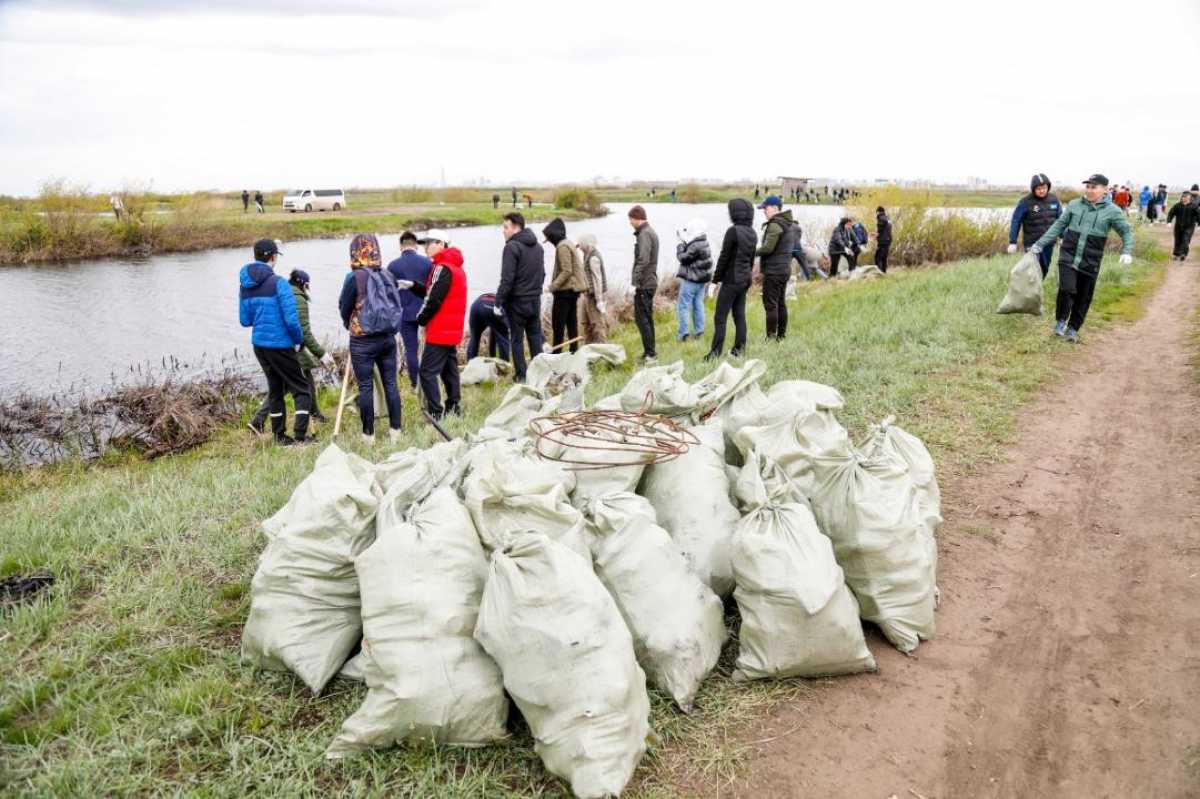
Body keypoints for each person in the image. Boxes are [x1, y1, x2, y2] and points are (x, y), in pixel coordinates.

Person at [1031, 174, 1134, 343]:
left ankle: (1073, 328)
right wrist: (1040, 244)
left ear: (1105, 190)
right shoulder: (1074, 205)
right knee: (1067, 289)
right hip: (1069, 254)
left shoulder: (1113, 211)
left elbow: (1126, 232)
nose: (1090, 190)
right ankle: (1061, 321)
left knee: (1083, 296)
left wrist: (1126, 251)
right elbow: (1059, 225)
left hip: (1091, 259)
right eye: (1088, 187)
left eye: (1094, 187)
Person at [239, 238, 311, 445]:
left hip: (259, 345)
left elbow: (245, 320)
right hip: (280, 344)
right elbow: (291, 319)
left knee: (276, 390)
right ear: (272, 257)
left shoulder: (245, 285)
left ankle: (279, 436)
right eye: (276, 255)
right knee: (301, 389)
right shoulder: (279, 283)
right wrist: (298, 341)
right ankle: (300, 436)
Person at [337, 233, 403, 443]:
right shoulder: (387, 275)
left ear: (355, 252)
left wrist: (350, 324)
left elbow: (344, 307)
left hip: (362, 340)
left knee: (365, 386)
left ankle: (368, 435)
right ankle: (396, 431)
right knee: (391, 383)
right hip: (387, 338)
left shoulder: (354, 278)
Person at [250, 269, 332, 432]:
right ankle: (258, 420)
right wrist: (321, 354)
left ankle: (315, 412)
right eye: (308, 285)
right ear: (303, 284)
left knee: (305, 377)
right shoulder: (299, 299)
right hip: (291, 347)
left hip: (277, 345)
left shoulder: (284, 292)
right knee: (286, 386)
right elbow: (304, 332)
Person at [408, 235, 467, 420]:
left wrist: (421, 319)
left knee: (426, 372)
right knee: (450, 370)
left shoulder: (441, 267)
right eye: (423, 244)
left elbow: (433, 299)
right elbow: (435, 291)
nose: (425, 247)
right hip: (452, 329)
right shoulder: (456, 267)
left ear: (441, 244)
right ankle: (454, 407)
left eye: (429, 243)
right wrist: (413, 286)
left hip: (440, 330)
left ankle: (436, 413)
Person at [704, 198, 757, 361]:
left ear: (735, 213)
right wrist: (748, 276)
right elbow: (752, 259)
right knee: (739, 315)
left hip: (733, 279)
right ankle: (738, 350)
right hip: (745, 278)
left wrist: (714, 281)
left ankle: (715, 354)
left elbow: (724, 258)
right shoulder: (752, 232)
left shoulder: (733, 231)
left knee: (720, 317)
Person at [495, 211, 545, 383]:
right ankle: (540, 374)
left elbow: (507, 279)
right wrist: (535, 290)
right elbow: (542, 274)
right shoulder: (538, 247)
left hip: (517, 302)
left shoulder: (511, 247)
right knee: (535, 337)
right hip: (534, 300)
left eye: (505, 227)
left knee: (516, 340)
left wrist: (498, 301)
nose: (503, 231)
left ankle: (522, 376)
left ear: (516, 228)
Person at [385, 230, 431, 389]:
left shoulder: (392, 266)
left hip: (405, 313)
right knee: (429, 348)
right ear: (415, 245)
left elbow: (389, 293)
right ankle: (430, 380)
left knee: (411, 350)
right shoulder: (428, 263)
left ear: (401, 246)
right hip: (426, 311)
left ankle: (415, 383)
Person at [755, 195, 796, 341]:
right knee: (780, 303)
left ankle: (770, 338)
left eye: (765, 208)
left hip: (774, 271)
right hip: (784, 269)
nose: (764, 211)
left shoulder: (775, 224)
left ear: (775, 208)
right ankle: (781, 336)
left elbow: (767, 248)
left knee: (771, 304)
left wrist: (751, 252)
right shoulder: (788, 223)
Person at [544, 217, 587, 353]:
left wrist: (552, 287)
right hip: (572, 292)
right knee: (572, 324)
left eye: (549, 239)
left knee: (558, 326)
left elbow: (567, 271)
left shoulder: (562, 246)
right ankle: (574, 352)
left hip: (564, 293)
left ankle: (556, 356)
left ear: (553, 236)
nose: (550, 242)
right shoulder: (568, 243)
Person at [1006, 174, 1062, 277]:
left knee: (1044, 269)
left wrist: (1063, 236)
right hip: (1032, 244)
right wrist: (1012, 242)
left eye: (1044, 188)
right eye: (1038, 188)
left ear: (1048, 187)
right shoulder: (1025, 202)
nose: (1042, 191)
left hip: (1048, 242)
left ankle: (1036, 290)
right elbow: (1016, 221)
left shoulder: (1054, 200)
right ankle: (1029, 292)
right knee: (1032, 270)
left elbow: (1061, 220)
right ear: (1033, 188)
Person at [628, 205, 659, 362]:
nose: (630, 223)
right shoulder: (648, 231)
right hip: (649, 281)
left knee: (642, 319)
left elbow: (643, 259)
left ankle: (650, 354)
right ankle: (650, 351)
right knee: (646, 317)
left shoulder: (645, 234)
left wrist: (635, 281)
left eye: (630, 219)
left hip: (645, 283)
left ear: (636, 218)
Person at [674, 217, 713, 341]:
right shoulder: (703, 242)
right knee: (698, 304)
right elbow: (692, 253)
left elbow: (683, 258)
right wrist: (684, 240)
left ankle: (683, 334)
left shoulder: (696, 245)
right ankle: (699, 331)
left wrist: (680, 244)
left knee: (683, 306)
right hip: (701, 280)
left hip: (692, 280)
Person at [576, 232, 609, 344]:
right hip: (586, 295)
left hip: (593, 297)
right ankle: (589, 350)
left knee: (597, 325)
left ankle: (603, 350)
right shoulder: (586, 254)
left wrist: (599, 300)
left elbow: (597, 280)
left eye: (580, 245)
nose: (579, 248)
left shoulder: (593, 257)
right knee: (585, 323)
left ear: (586, 244)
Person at [467, 293, 511, 360]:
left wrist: (492, 357)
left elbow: (494, 335)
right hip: (492, 307)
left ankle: (470, 364)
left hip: (476, 305)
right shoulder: (510, 309)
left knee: (474, 337)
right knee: (503, 339)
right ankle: (504, 367)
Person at [1166, 191, 1199, 261]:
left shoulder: (1194, 206)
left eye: (1186, 197)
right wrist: (1169, 221)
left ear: (1189, 198)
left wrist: (1199, 224)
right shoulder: (1177, 205)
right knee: (1178, 240)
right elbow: (1171, 213)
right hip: (1178, 226)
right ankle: (1176, 254)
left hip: (1189, 227)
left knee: (1185, 240)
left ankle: (1183, 254)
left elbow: (1198, 215)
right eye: (1183, 197)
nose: (1184, 198)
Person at [874, 206, 893, 272]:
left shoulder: (881, 218)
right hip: (888, 240)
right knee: (884, 257)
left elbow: (880, 231)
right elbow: (887, 230)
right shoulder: (888, 219)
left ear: (878, 212)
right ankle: (884, 272)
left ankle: (879, 272)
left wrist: (874, 235)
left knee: (878, 257)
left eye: (876, 213)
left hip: (883, 241)